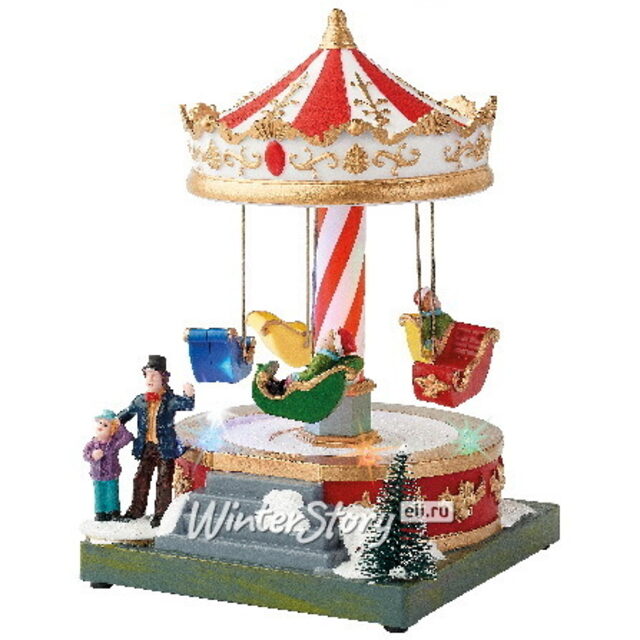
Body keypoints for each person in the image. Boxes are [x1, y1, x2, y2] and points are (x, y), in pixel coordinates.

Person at [118, 355, 195, 527]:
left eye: (154, 375)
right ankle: (136, 510)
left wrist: (189, 394)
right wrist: (113, 423)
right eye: (147, 375)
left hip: (165, 448)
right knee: (140, 478)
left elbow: (187, 405)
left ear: (163, 378)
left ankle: (161, 514)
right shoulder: (140, 400)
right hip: (146, 446)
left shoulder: (170, 401)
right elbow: (125, 414)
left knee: (164, 481)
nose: (150, 379)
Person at [83, 410, 133, 521]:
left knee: (112, 493)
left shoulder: (113, 444)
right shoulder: (91, 444)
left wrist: (119, 426)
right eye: (100, 423)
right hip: (97, 474)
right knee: (99, 493)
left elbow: (128, 437)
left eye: (105, 425)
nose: (101, 426)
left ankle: (113, 512)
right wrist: (92, 455)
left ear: (112, 430)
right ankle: (100, 512)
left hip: (111, 474)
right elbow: (85, 455)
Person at [414, 287, 454, 359]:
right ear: (424, 306)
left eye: (434, 297)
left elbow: (452, 324)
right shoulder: (428, 320)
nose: (435, 300)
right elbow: (425, 336)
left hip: (451, 339)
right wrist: (431, 344)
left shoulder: (443, 315)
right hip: (440, 344)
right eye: (428, 299)